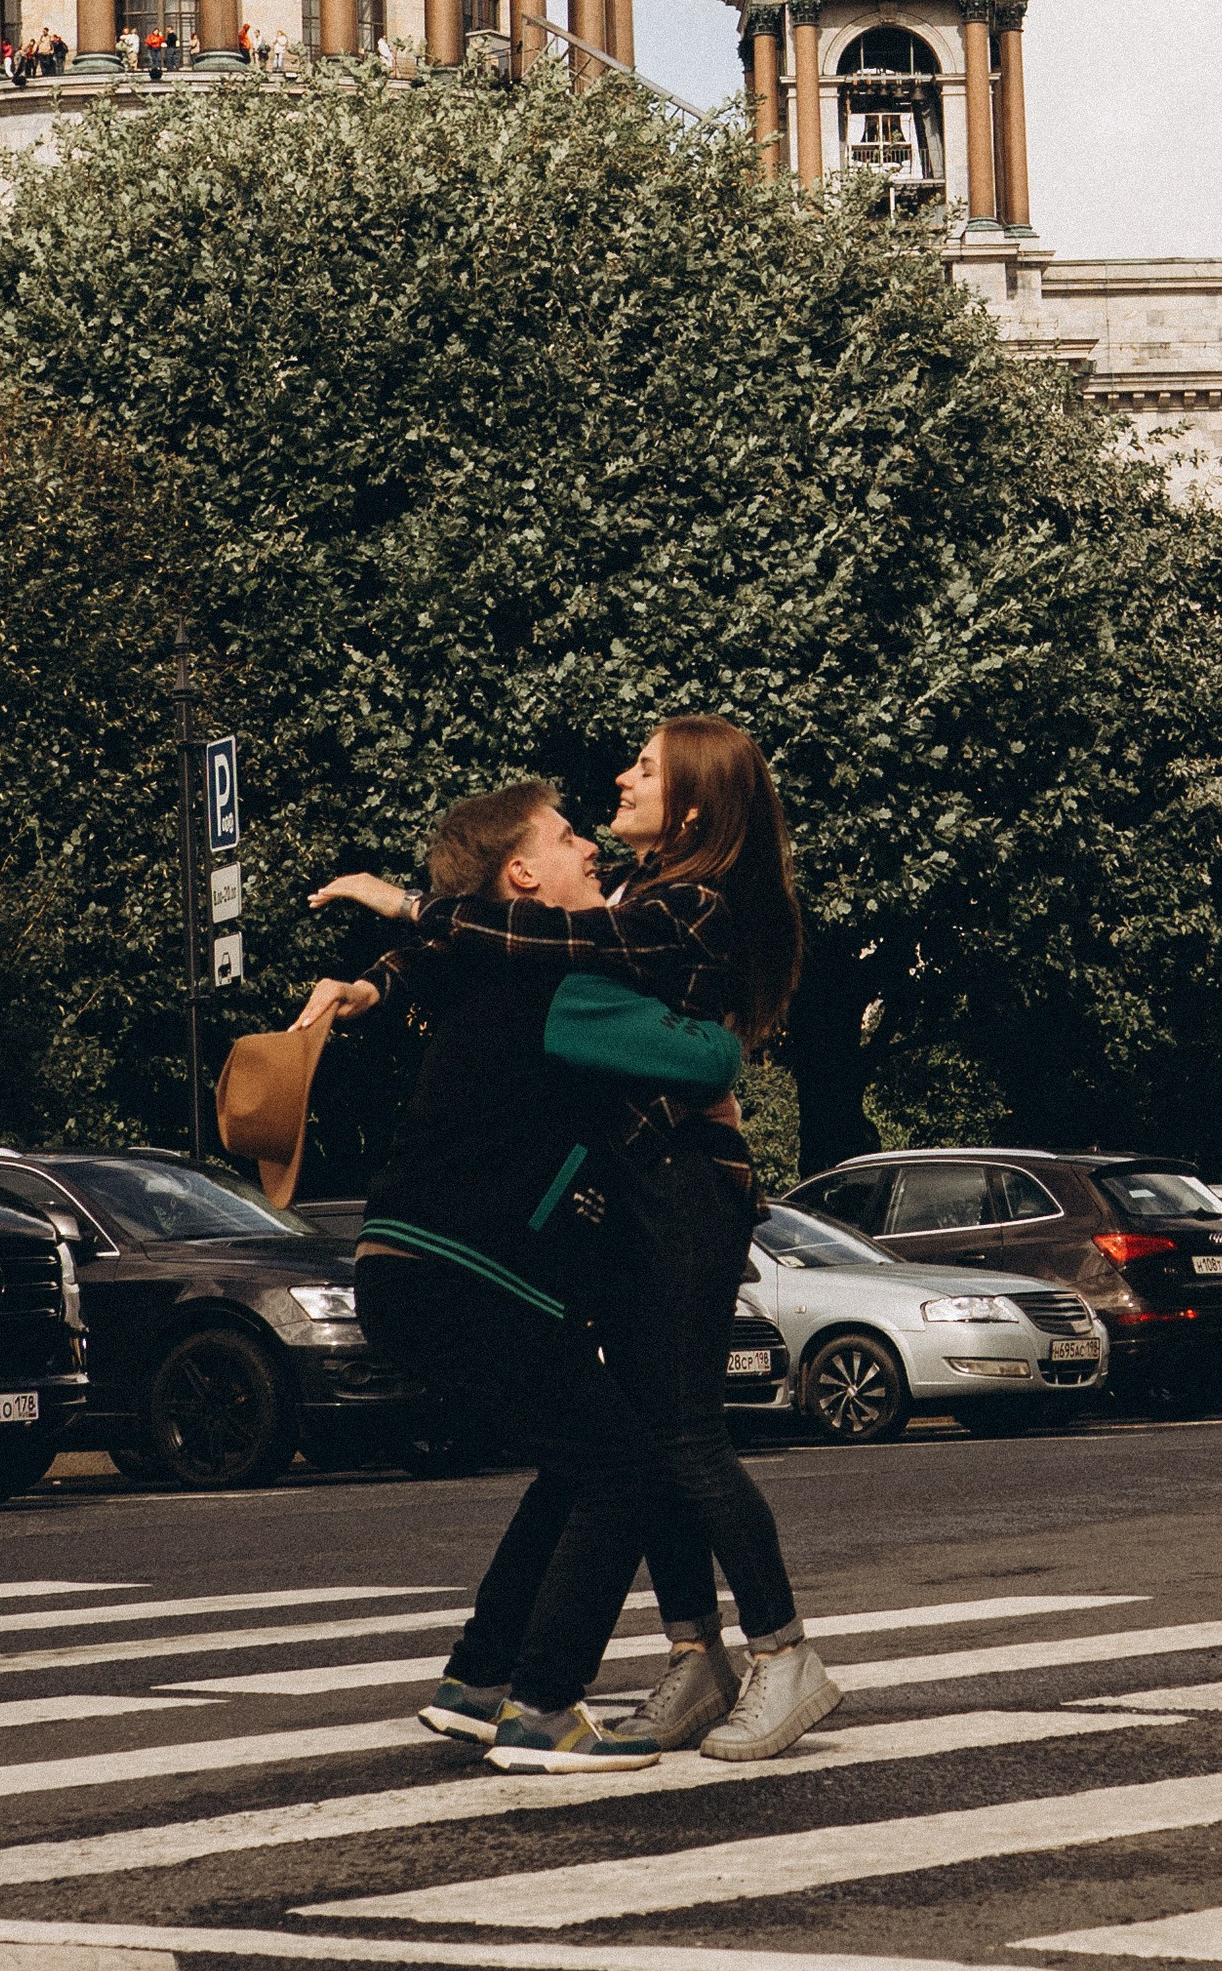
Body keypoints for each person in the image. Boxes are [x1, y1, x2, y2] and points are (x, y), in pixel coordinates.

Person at [317, 715, 837, 1765]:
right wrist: (384, 980)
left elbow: (582, 976)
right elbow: (497, 951)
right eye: (567, 834)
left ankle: (772, 1654)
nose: (614, 787)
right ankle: (684, 1652)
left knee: (669, 1438)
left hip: (683, 1182)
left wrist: (407, 920)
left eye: (643, 768)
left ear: (692, 804)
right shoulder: (619, 912)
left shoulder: (668, 908)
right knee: (636, 1442)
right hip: (624, 1193)